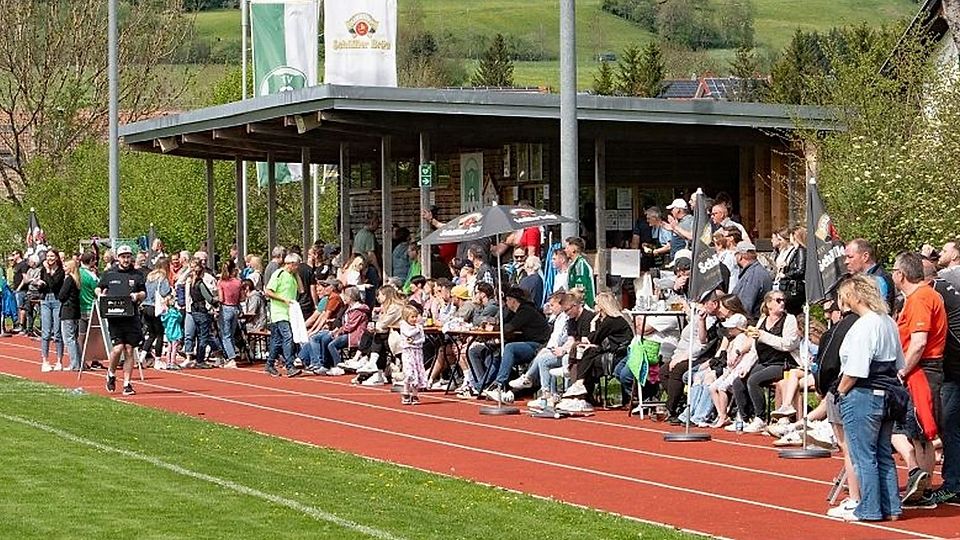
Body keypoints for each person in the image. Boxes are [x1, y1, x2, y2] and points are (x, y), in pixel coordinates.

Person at [835, 274, 905, 522]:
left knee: (863, 455)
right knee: (883, 453)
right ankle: (892, 507)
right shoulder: (887, 322)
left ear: (855, 296)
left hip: (863, 394)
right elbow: (899, 362)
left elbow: (855, 368)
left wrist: (840, 391)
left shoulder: (864, 325)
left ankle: (870, 508)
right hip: (887, 393)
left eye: (844, 296)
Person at [892, 251, 946, 508]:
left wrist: (902, 371)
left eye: (894, 270)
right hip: (924, 369)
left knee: (920, 431)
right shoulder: (925, 296)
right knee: (920, 433)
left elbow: (919, 341)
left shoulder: (920, 299)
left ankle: (922, 486)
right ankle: (922, 486)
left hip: (921, 370)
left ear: (901, 274)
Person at [730, 290, 800, 433]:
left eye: (783, 300)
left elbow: (788, 344)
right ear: (769, 304)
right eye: (778, 300)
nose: (782, 303)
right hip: (764, 361)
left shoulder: (789, 319)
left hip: (783, 362)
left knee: (754, 380)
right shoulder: (763, 320)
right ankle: (743, 418)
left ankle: (760, 418)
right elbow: (755, 349)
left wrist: (763, 336)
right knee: (738, 381)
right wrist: (746, 366)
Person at [557, 292, 633, 413]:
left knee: (588, 354)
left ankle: (580, 388)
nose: (594, 307)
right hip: (612, 350)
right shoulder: (607, 320)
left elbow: (593, 338)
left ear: (602, 306)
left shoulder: (611, 320)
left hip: (620, 353)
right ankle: (580, 391)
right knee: (586, 352)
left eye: (596, 304)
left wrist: (592, 325)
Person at [478, 287, 551, 403]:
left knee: (509, 348)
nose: (506, 304)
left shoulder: (525, 311)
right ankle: (483, 386)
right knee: (497, 354)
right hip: (527, 342)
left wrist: (493, 328)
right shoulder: (516, 312)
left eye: (507, 300)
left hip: (538, 345)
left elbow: (509, 328)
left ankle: (499, 385)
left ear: (513, 300)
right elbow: (507, 325)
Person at [96, 245, 147, 396]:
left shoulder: (137, 274)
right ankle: (111, 373)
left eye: (128, 256)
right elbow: (99, 288)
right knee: (118, 349)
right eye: (123, 256)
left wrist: (137, 296)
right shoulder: (109, 273)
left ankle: (127, 384)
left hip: (131, 316)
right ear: (118, 258)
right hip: (115, 316)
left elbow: (144, 292)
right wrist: (101, 296)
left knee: (130, 349)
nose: (126, 259)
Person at [263, 253, 300, 377]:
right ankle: (289, 365)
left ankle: (269, 364)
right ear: (290, 264)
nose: (297, 268)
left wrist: (296, 274)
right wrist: (283, 299)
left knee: (277, 340)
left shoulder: (292, 276)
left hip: (289, 312)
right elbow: (268, 291)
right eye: (296, 265)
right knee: (288, 336)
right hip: (279, 312)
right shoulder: (278, 274)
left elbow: (302, 290)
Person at [844, 238, 895, 312]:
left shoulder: (879, 280)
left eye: (850, 257)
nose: (846, 262)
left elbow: (879, 311)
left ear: (865, 257)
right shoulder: (866, 278)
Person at [37, 250, 65, 372]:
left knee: (57, 332)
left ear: (57, 257)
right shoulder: (43, 270)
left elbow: (54, 284)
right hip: (45, 300)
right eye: (48, 256)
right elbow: (45, 285)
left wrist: (48, 272)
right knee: (46, 332)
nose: (49, 258)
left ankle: (59, 360)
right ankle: (45, 360)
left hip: (57, 300)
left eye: (52, 256)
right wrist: (40, 284)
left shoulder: (60, 271)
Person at [142, 258, 172, 368]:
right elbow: (164, 292)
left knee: (151, 334)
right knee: (160, 333)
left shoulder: (150, 276)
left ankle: (142, 357)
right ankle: (158, 359)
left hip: (146, 306)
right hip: (156, 307)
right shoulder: (163, 277)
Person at [732, 240, 772, 319]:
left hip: (751, 321)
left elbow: (746, 304)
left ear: (740, 256)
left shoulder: (753, 274)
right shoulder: (752, 271)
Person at [57, 259, 82, 371]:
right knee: (74, 338)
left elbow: (62, 296)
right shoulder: (76, 280)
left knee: (69, 338)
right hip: (75, 312)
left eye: (66, 266)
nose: (64, 268)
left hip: (68, 311)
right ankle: (78, 362)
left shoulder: (69, 280)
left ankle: (74, 363)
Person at [217, 260, 243, 369]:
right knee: (231, 334)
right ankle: (231, 355)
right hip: (235, 308)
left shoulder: (221, 283)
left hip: (226, 307)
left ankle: (231, 357)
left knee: (225, 335)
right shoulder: (238, 282)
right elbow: (241, 298)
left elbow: (221, 298)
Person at [399, 305, 427, 405]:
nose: (414, 319)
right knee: (409, 373)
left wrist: (415, 342)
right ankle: (405, 392)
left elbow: (422, 339)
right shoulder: (403, 326)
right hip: (408, 352)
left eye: (416, 317)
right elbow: (408, 334)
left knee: (417, 373)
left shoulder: (419, 327)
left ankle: (415, 395)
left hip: (417, 352)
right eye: (412, 317)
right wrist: (418, 329)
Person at [565, 237, 596, 308]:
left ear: (573, 249)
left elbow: (581, 289)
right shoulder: (574, 264)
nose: (565, 250)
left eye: (567, 247)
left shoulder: (580, 265)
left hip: (583, 307)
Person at [161, 295, 184, 370]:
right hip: (175, 332)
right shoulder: (175, 313)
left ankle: (168, 362)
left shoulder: (167, 313)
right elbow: (180, 319)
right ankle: (173, 362)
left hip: (169, 332)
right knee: (174, 348)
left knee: (169, 348)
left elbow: (164, 321)